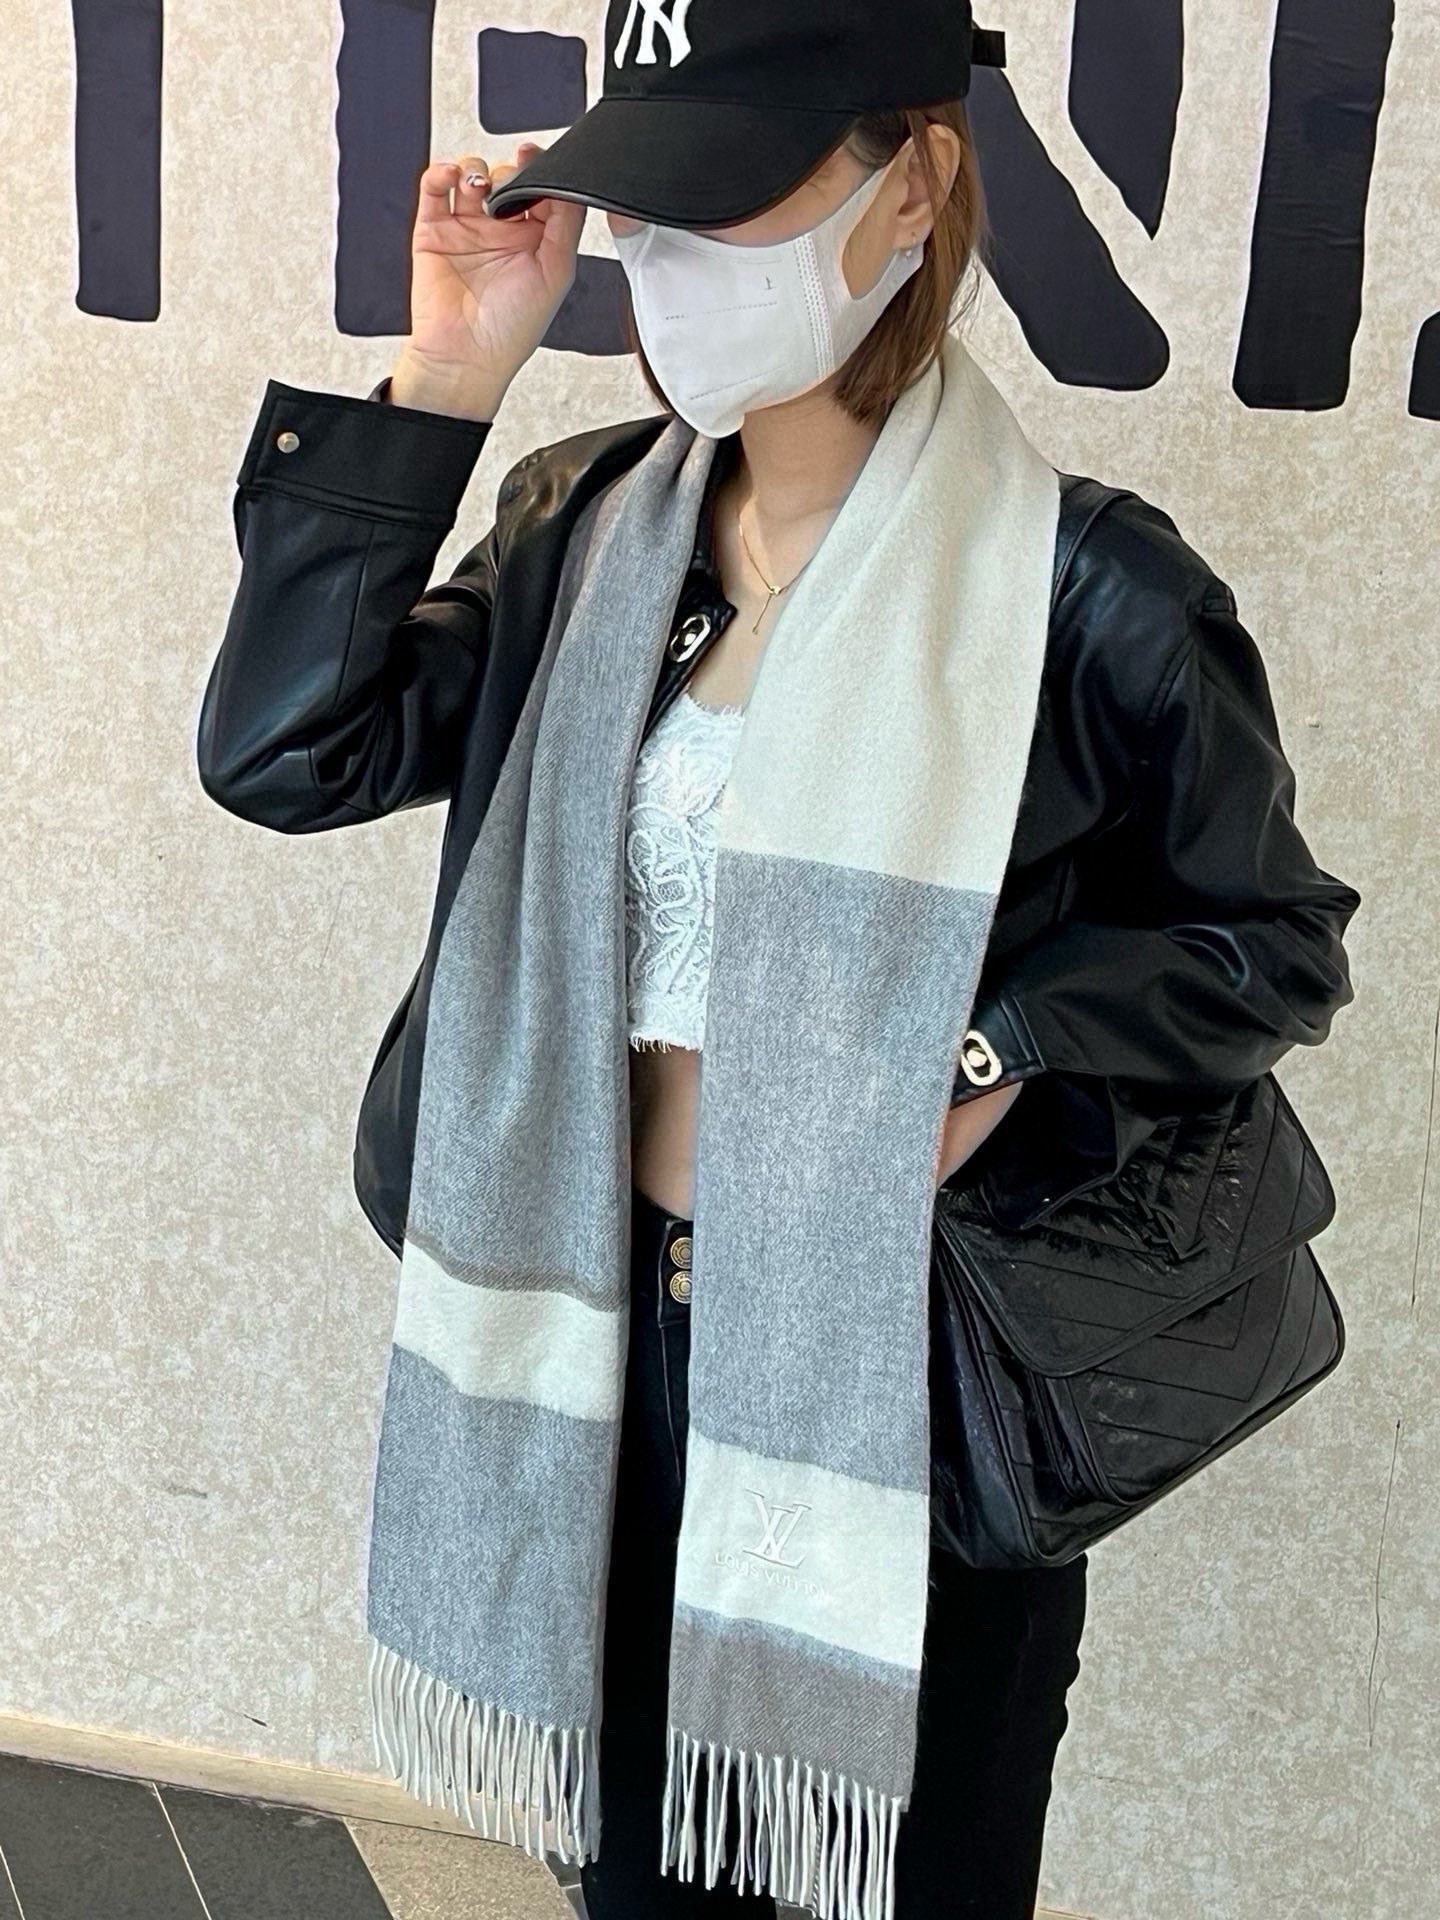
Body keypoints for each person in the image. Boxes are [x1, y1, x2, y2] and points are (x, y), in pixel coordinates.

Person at [196, 3, 1360, 1915]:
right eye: (641, 214)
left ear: (910, 186)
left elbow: (1269, 945)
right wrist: (449, 372)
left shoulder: (1089, 591)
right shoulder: (582, 533)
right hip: (593, 1334)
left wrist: (995, 1050)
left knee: (898, 1877)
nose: (664, 267)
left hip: (892, 1365)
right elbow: (287, 753)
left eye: (722, 203)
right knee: (629, 1884)